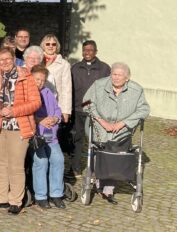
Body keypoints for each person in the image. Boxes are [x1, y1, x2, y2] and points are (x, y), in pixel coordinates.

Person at [0, 48, 41, 215]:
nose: (5, 62)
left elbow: (35, 103)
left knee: (16, 165)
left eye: (8, 59)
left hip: (19, 126)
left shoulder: (26, 77)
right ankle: (2, 198)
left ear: (14, 59)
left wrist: (14, 111)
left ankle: (16, 200)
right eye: (1, 60)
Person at [83, 62, 149, 204]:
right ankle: (100, 180)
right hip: (99, 128)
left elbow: (144, 110)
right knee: (101, 151)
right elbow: (85, 103)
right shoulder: (99, 85)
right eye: (114, 74)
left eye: (120, 75)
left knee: (115, 154)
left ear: (127, 77)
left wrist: (123, 123)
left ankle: (108, 188)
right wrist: (101, 121)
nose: (116, 78)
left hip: (123, 131)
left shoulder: (136, 90)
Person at [69, 40, 110, 177]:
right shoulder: (75, 68)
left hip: (96, 112)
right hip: (78, 110)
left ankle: (97, 170)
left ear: (96, 52)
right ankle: (75, 167)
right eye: (85, 50)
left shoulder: (104, 69)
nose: (87, 53)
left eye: (90, 50)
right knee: (77, 139)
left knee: (96, 141)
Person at [30, 65, 65, 209]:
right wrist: (40, 120)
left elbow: (57, 109)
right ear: (31, 78)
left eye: (42, 80)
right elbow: (26, 114)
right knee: (42, 161)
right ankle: (40, 196)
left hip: (50, 133)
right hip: (36, 135)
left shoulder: (47, 92)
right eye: (37, 79)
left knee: (58, 159)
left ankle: (56, 194)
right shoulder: (27, 93)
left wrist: (56, 119)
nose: (39, 82)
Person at [41, 34, 72, 124]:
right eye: (48, 44)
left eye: (53, 44)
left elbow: (67, 89)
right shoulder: (37, 60)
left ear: (57, 46)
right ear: (43, 45)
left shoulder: (64, 64)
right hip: (38, 102)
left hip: (55, 104)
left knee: (52, 132)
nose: (50, 46)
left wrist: (66, 111)